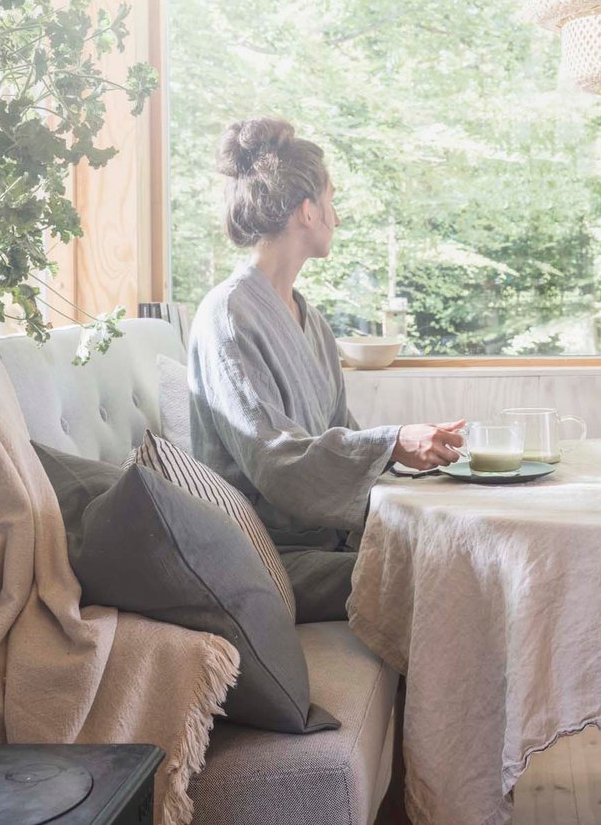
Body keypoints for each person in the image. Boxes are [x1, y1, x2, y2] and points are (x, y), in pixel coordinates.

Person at [188, 117, 464, 622]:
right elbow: (275, 459)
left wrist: (418, 462)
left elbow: (342, 434)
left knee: (467, 549)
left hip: (328, 542)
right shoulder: (226, 315)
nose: (337, 216)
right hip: (271, 557)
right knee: (447, 574)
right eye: (331, 201)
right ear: (307, 211)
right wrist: (394, 441)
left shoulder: (309, 319)